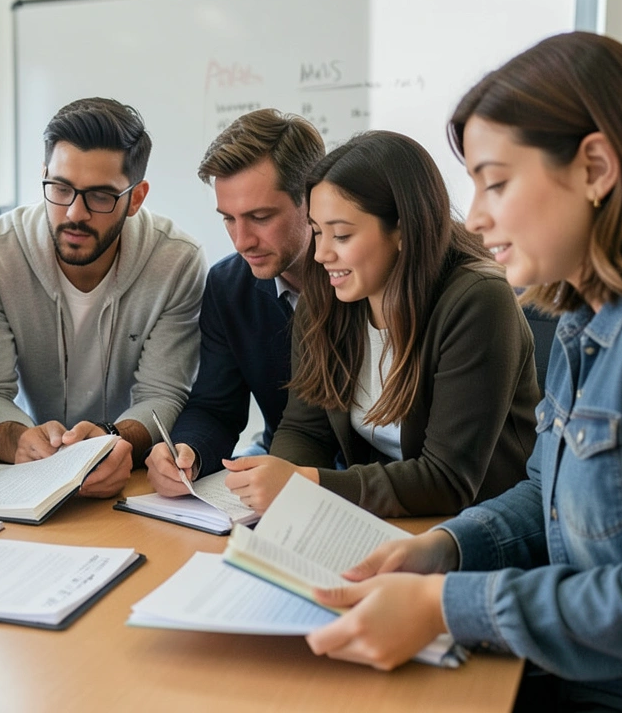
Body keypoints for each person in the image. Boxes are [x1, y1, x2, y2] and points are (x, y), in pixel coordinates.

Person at [304, 32, 622, 713]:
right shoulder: (587, 319)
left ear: (596, 167)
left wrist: (448, 604)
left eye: (495, 183)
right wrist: (445, 549)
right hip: (597, 672)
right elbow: (547, 499)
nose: (474, 217)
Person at [223, 130, 538, 515]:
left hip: (482, 524)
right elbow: (304, 429)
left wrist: (304, 485)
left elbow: (448, 480)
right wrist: (281, 487)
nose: (321, 255)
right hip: (386, 516)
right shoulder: (329, 296)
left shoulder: (478, 299)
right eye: (317, 232)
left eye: (341, 234)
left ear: (404, 230)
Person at [0, 97, 204, 498]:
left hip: (130, 477)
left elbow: (162, 394)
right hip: (16, 476)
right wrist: (18, 440)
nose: (74, 213)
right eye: (61, 188)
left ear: (136, 198)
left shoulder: (176, 261)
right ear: (44, 175)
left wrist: (113, 440)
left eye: (100, 197)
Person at [145, 108, 324, 496]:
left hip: (364, 479)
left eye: (259, 217)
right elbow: (215, 408)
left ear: (311, 201)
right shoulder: (229, 285)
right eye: (228, 218)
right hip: (278, 467)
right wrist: (186, 452)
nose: (241, 241)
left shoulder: (360, 278)